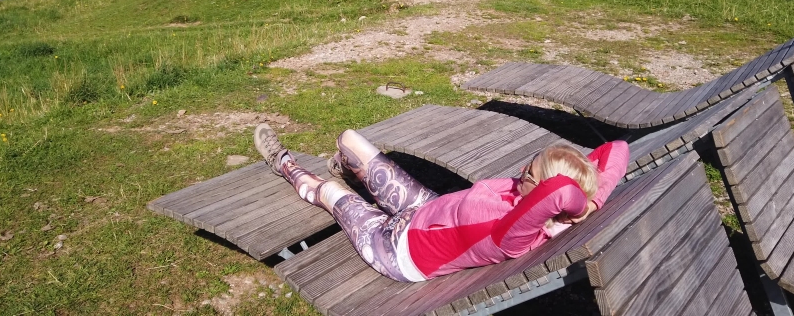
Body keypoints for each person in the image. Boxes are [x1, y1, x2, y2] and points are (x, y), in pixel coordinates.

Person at [254, 124, 629, 282]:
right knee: (350, 140)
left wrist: (578, 208)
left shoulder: (513, 233)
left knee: (331, 195)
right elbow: (618, 150)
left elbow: (562, 194)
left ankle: (284, 164)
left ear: (546, 194)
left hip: (396, 247)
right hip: (427, 209)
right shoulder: (539, 207)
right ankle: (349, 168)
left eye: (529, 171)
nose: (520, 171)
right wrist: (591, 203)